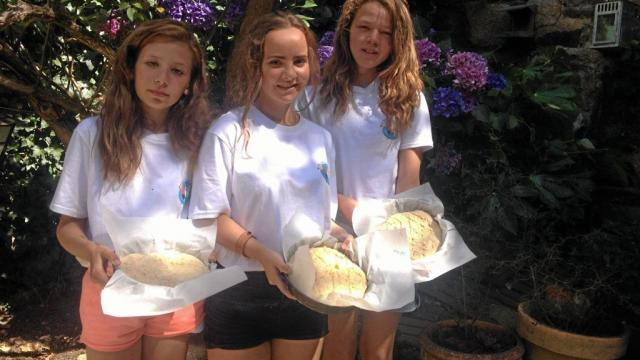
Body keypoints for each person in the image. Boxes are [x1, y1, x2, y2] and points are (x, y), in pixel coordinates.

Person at [189, 11, 349, 360]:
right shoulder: (228, 132)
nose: (289, 74)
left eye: (299, 61)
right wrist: (260, 252)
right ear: (256, 66)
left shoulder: (320, 139)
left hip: (307, 287)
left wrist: (342, 237)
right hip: (239, 289)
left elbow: (320, 219)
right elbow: (208, 217)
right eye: (276, 62)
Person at [50, 19, 211, 360]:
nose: (161, 79)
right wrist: (90, 250)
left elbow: (211, 219)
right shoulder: (93, 135)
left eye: (177, 71)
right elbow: (67, 227)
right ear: (131, 68)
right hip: (109, 288)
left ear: (189, 84)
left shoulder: (198, 144)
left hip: (175, 291)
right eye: (152, 64)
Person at [299, 1, 433, 359]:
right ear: (347, 31)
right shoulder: (316, 94)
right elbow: (299, 173)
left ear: (398, 41)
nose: (373, 39)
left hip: (386, 237)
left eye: (386, 33)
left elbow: (409, 182)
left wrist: (411, 239)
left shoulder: (409, 100)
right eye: (364, 28)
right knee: (335, 347)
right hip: (328, 235)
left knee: (378, 350)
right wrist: (348, 210)